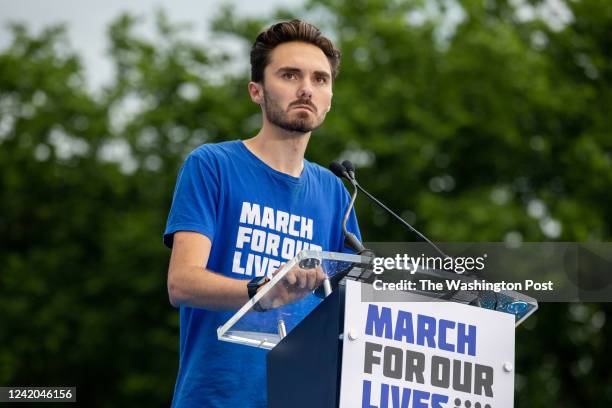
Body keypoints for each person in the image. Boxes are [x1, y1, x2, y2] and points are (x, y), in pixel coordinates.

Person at [163, 19, 361, 408]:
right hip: (219, 397)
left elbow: (352, 308)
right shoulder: (212, 165)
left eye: (320, 79)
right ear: (256, 91)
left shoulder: (336, 191)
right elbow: (181, 283)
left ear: (330, 97)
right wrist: (262, 290)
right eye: (290, 75)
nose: (306, 88)